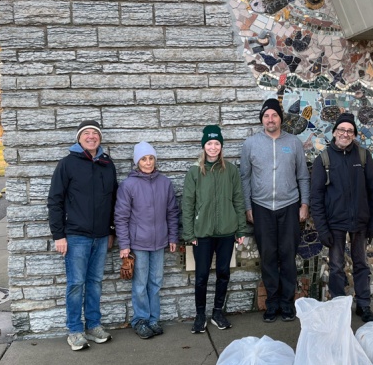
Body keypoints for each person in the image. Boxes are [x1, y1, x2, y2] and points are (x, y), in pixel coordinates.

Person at [47, 119, 117, 351]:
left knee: (95, 283)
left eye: (95, 133)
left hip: (100, 236)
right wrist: (59, 235)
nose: (91, 137)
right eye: (86, 133)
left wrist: (110, 231)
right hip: (76, 236)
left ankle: (94, 325)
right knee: (76, 284)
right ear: (79, 138)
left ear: (100, 138)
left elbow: (113, 201)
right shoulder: (67, 164)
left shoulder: (108, 165)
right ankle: (75, 330)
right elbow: (55, 200)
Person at [240, 98, 310, 322]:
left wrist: (304, 204)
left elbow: (303, 176)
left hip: (289, 206)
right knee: (268, 256)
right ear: (262, 119)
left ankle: (287, 304)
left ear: (281, 118)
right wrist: (248, 206)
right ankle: (272, 303)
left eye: (274, 115)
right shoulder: (250, 144)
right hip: (261, 208)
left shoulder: (294, 143)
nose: (270, 119)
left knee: (288, 256)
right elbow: (245, 178)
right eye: (266, 116)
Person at [310, 112, 373, 322]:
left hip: (360, 222)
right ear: (334, 132)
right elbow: (317, 197)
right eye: (341, 130)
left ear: (354, 134)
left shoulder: (362, 156)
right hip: (335, 224)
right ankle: (339, 307)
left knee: (361, 265)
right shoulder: (323, 159)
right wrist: (322, 229)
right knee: (336, 267)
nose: (345, 134)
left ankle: (364, 306)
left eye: (350, 131)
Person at [182, 125, 248, 334]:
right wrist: (189, 233)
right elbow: (187, 203)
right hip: (202, 233)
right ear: (204, 146)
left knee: (223, 272)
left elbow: (238, 199)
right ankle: (200, 315)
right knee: (201, 275)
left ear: (221, 146)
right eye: (209, 143)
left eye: (217, 143)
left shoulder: (230, 170)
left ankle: (217, 312)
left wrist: (240, 229)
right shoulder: (195, 171)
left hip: (227, 232)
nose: (213, 147)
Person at [115, 141, 180, 339]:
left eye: (151, 158)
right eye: (144, 159)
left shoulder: (164, 183)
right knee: (140, 283)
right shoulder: (128, 185)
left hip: (159, 241)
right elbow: (121, 216)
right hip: (139, 243)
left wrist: (173, 236)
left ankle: (154, 319)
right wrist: (124, 244)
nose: (148, 162)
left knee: (156, 281)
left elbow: (172, 212)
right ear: (137, 162)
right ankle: (140, 320)